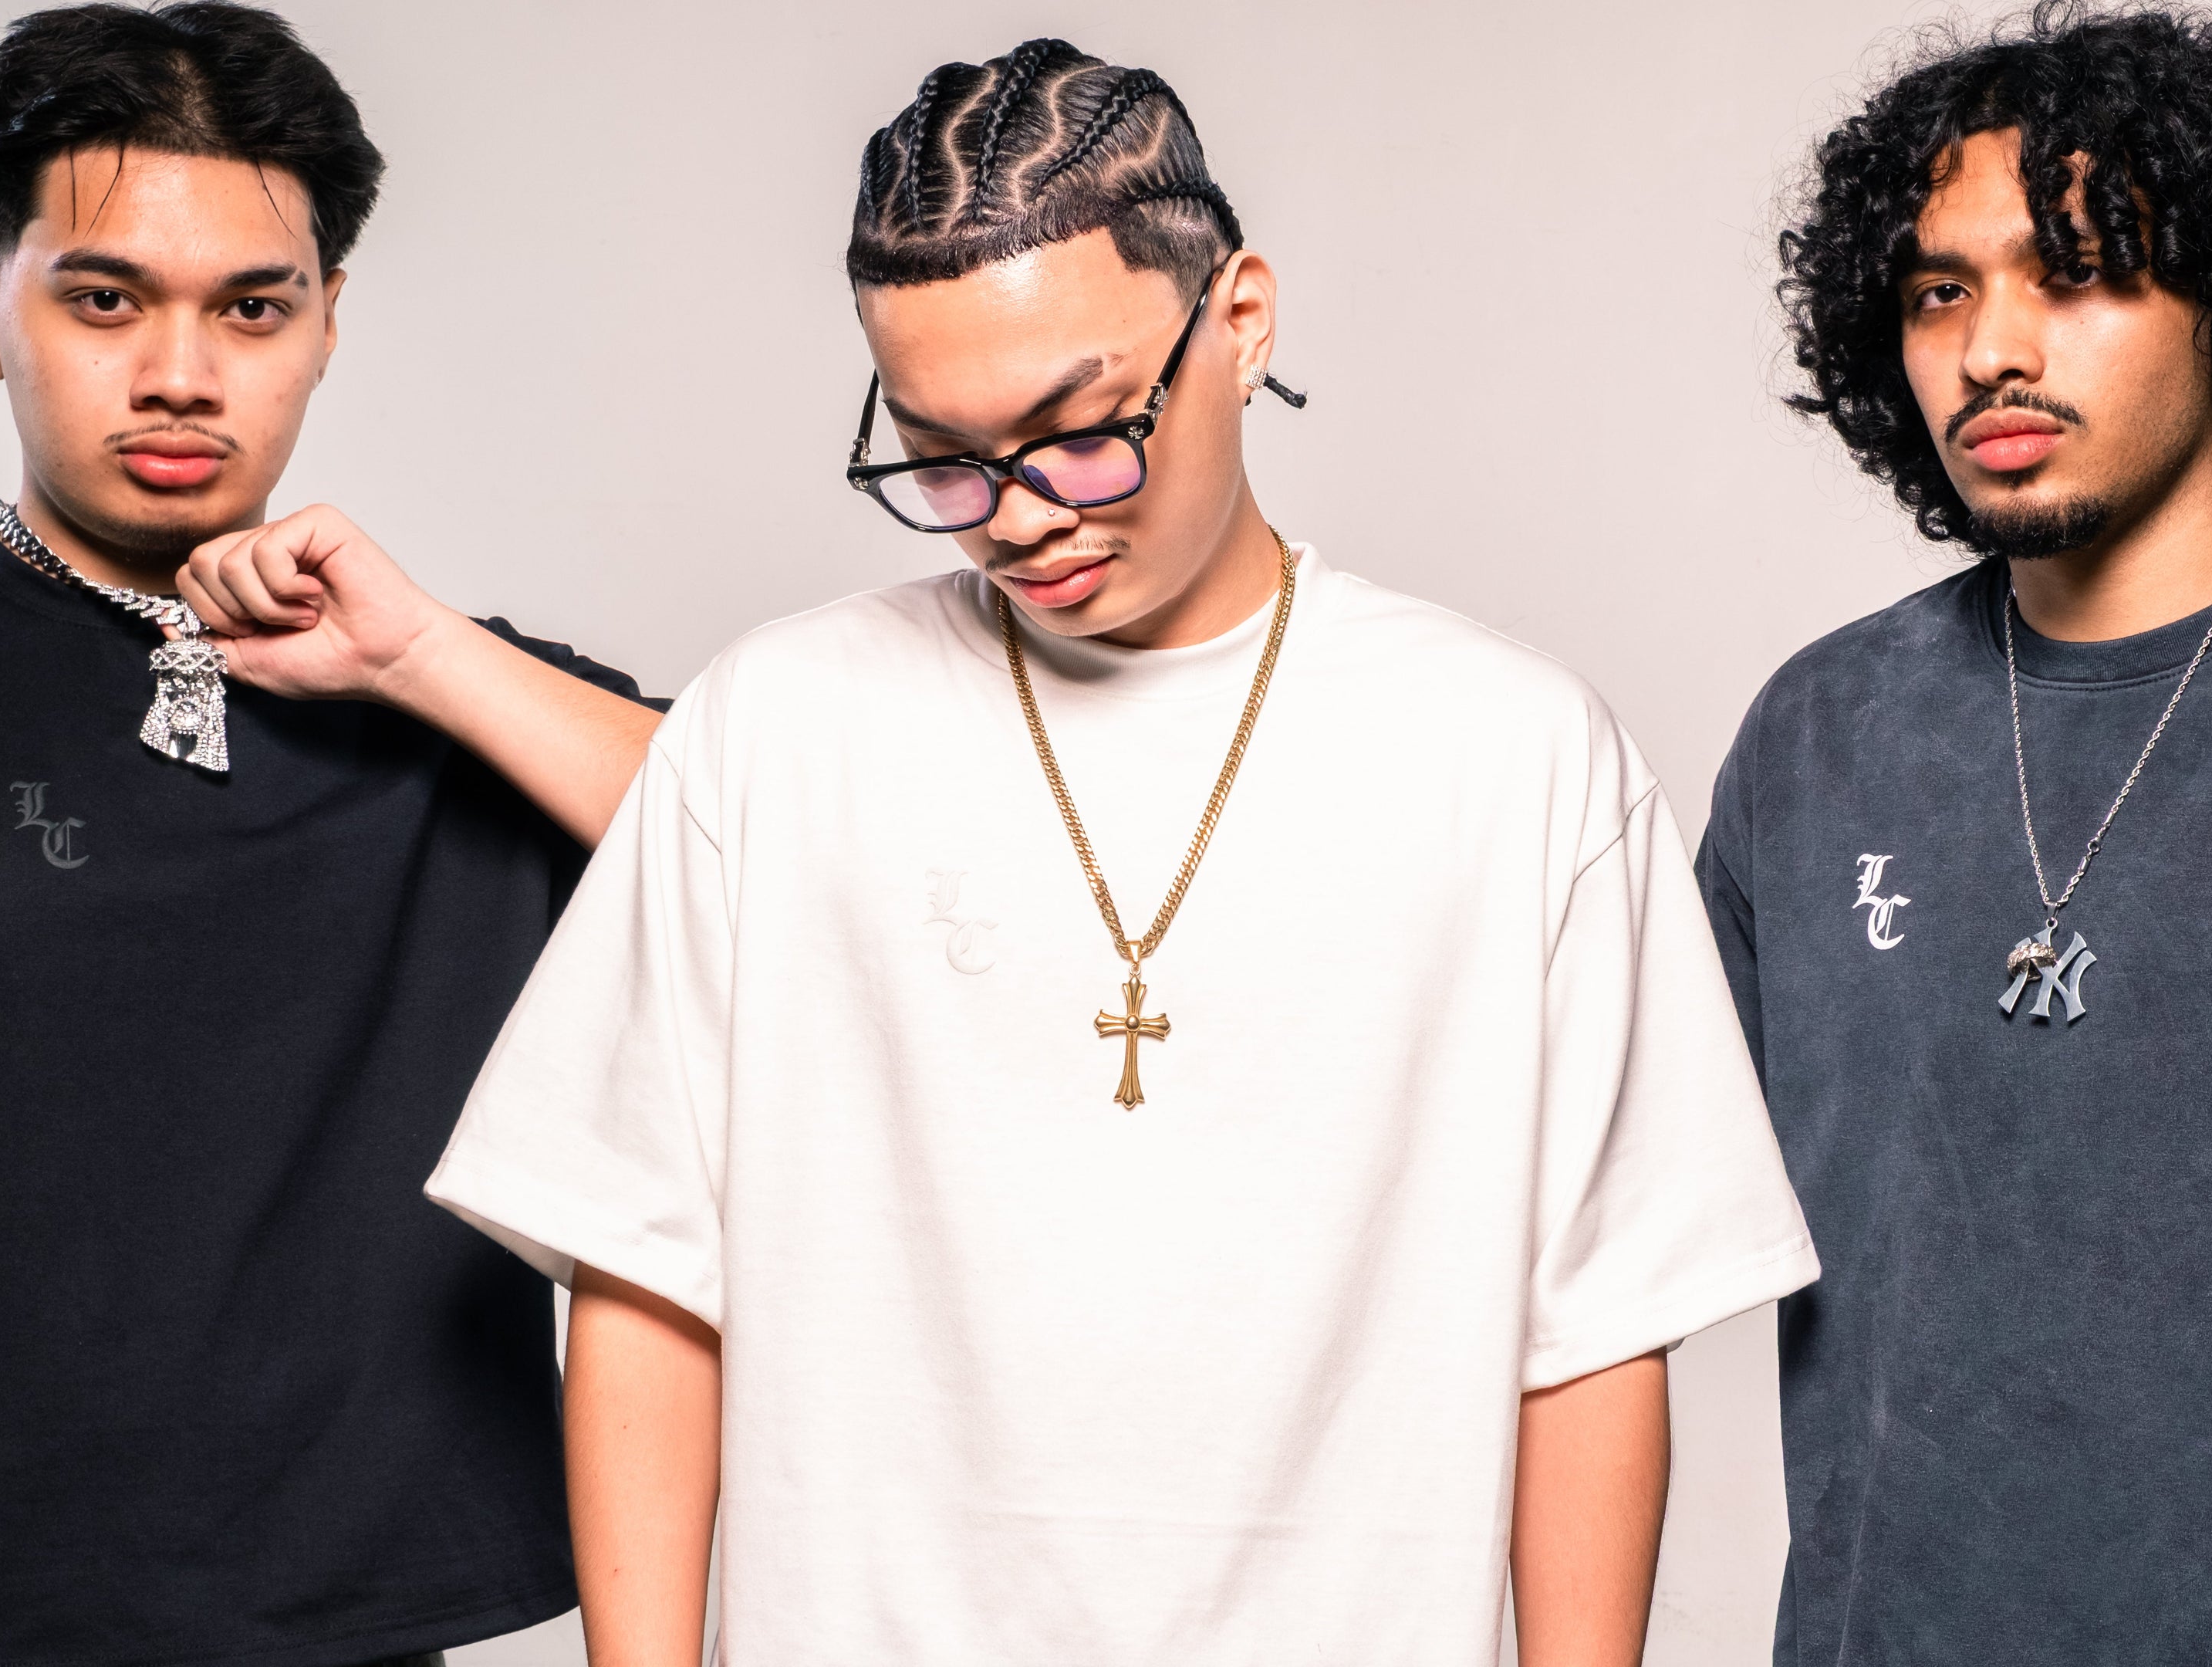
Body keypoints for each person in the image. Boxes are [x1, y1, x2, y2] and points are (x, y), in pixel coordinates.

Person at [190, 38, 1817, 1665]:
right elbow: (644, 1272)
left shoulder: (1518, 756)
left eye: (1082, 432)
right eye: (942, 458)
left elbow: (1592, 1332)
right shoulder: (775, 726)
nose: (1021, 514)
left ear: (1241, 320)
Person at [0, 6, 659, 1665]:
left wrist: (424, 661)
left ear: (328, 321)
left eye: (252, 306)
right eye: (104, 298)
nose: (180, 372)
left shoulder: (466, 708)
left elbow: (796, 869)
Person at [1699, 7, 2212, 1662]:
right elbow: (1601, 1252)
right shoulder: (1819, 737)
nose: (1991, 351)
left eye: (2078, 271)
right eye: (1939, 291)